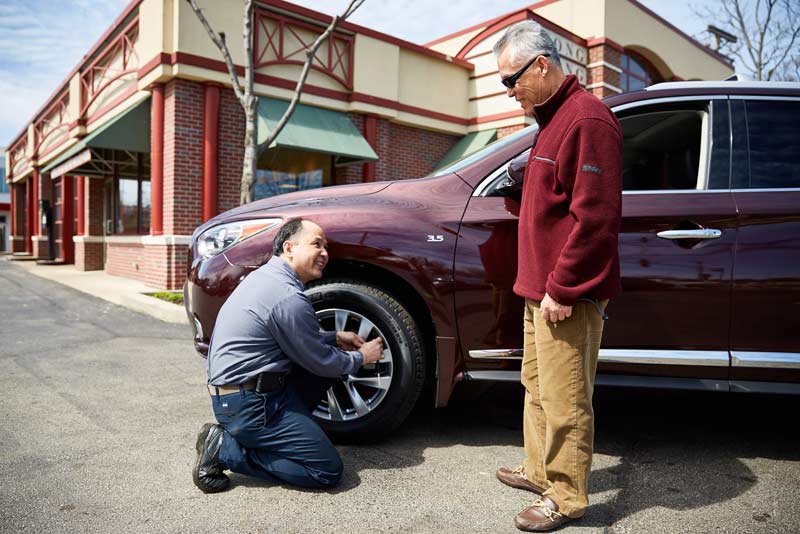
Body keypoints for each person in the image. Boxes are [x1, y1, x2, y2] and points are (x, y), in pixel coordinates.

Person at [492, 21, 623, 532]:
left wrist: (564, 287)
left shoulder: (588, 120)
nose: (509, 91)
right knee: (536, 386)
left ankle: (567, 499)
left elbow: (596, 218)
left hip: (564, 293)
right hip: (539, 291)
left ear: (541, 65)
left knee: (566, 396)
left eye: (512, 80)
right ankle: (540, 470)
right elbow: (556, 196)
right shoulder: (553, 118)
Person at [192, 217, 384, 493]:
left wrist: (334, 337)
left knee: (320, 370)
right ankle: (225, 449)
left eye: (326, 246)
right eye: (316, 244)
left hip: (243, 396)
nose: (325, 253)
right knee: (326, 471)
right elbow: (322, 360)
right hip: (251, 406)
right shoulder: (287, 296)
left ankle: (288, 433)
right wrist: (361, 357)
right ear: (289, 247)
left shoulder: (266, 278)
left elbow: (292, 340)